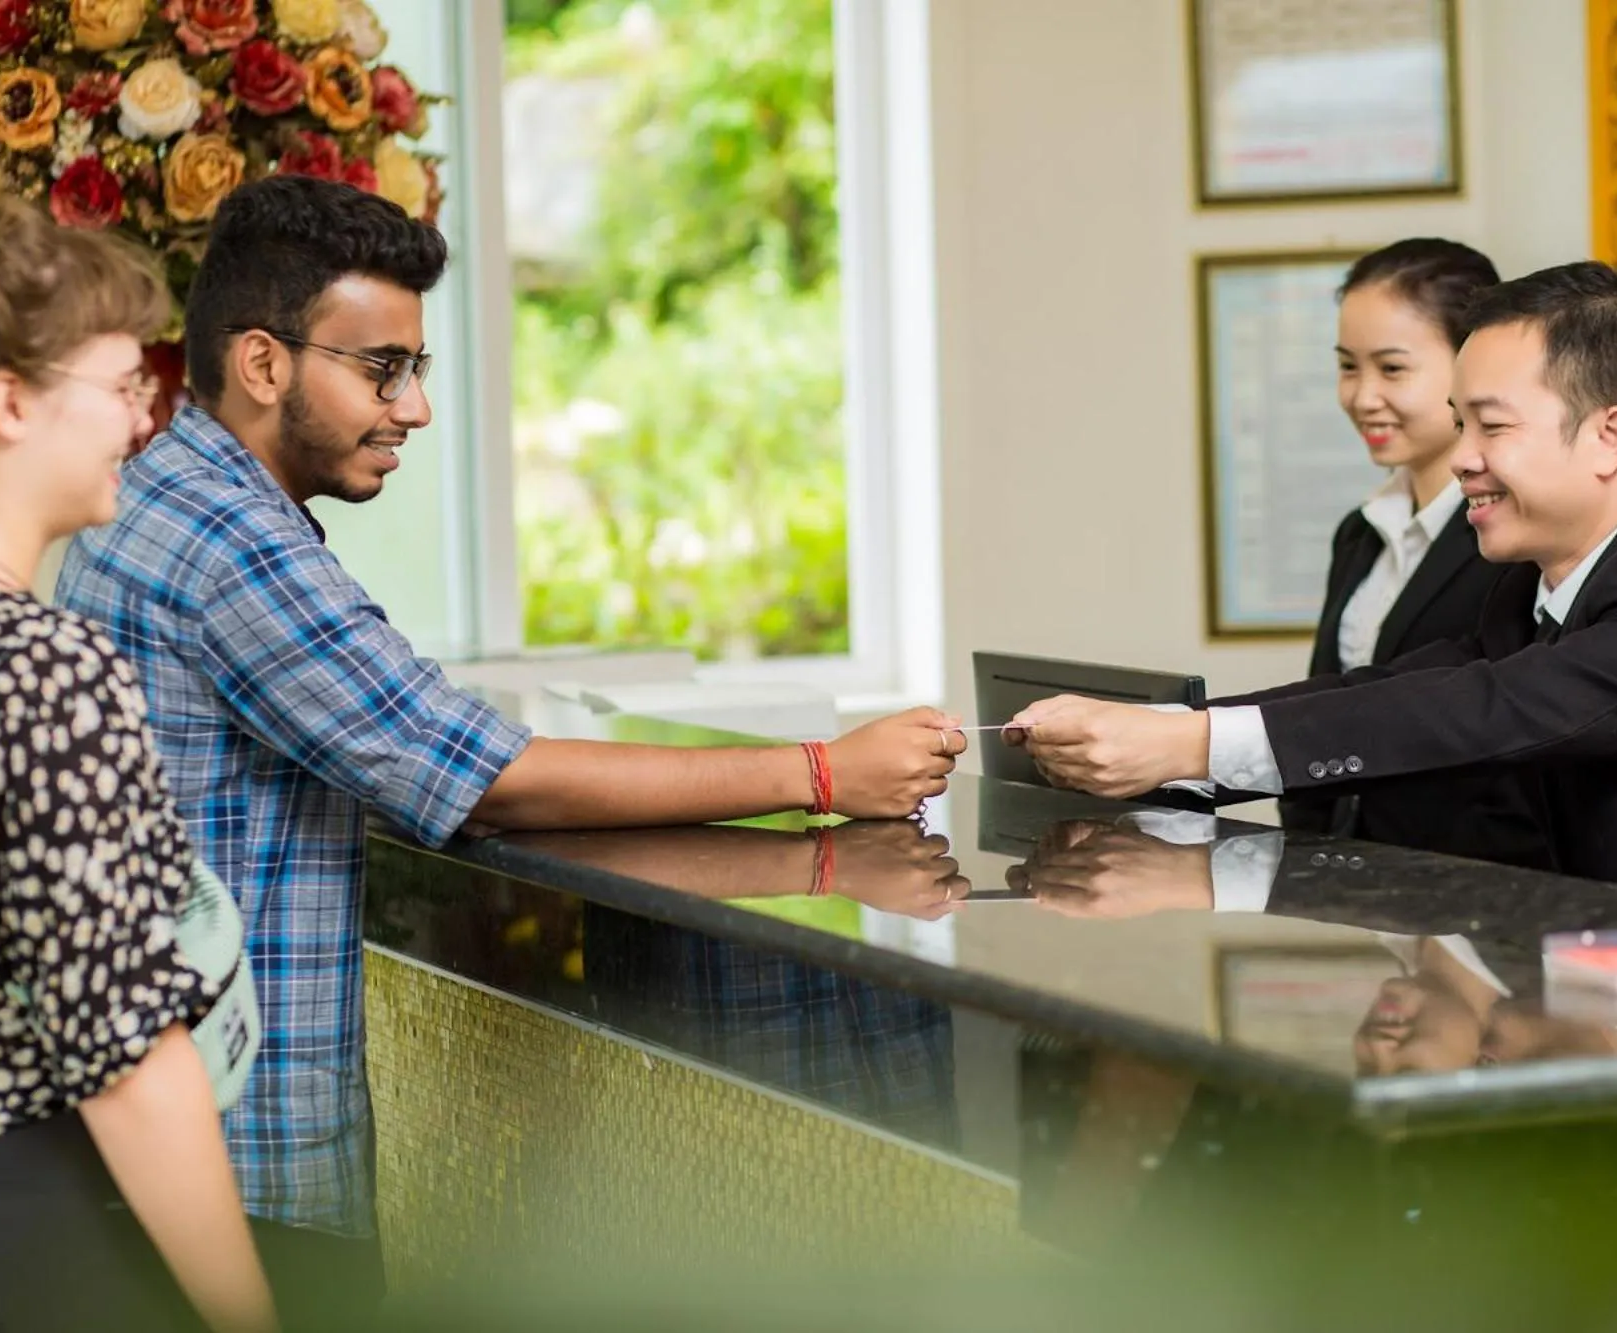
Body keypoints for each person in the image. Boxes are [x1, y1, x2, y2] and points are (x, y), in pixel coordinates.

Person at [53, 173, 964, 1324]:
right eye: (381, 369)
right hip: (235, 1169)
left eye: (415, 369)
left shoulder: (172, 492)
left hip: (180, 1145)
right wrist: (822, 774)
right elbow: (487, 777)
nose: (414, 409)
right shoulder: (228, 540)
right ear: (263, 363)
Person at [1011, 261, 1617, 913]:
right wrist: (1168, 739)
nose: (1462, 459)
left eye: (1492, 425)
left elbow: (1490, 708)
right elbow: (1394, 690)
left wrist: (1187, 745)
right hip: (1601, 1023)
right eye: (1461, 425)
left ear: (1610, 436)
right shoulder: (1525, 591)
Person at [0, 156, 275, 1331]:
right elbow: (128, 1061)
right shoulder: (44, 663)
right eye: (116, 384)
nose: (143, 417)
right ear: (9, 403)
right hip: (28, 1243)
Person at [1285, 239, 1548, 869]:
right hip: (1355, 892)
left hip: (1471, 898)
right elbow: (1328, 706)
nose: (1362, 396)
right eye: (1348, 367)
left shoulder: (1518, 536)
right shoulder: (1361, 532)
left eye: (1392, 368)